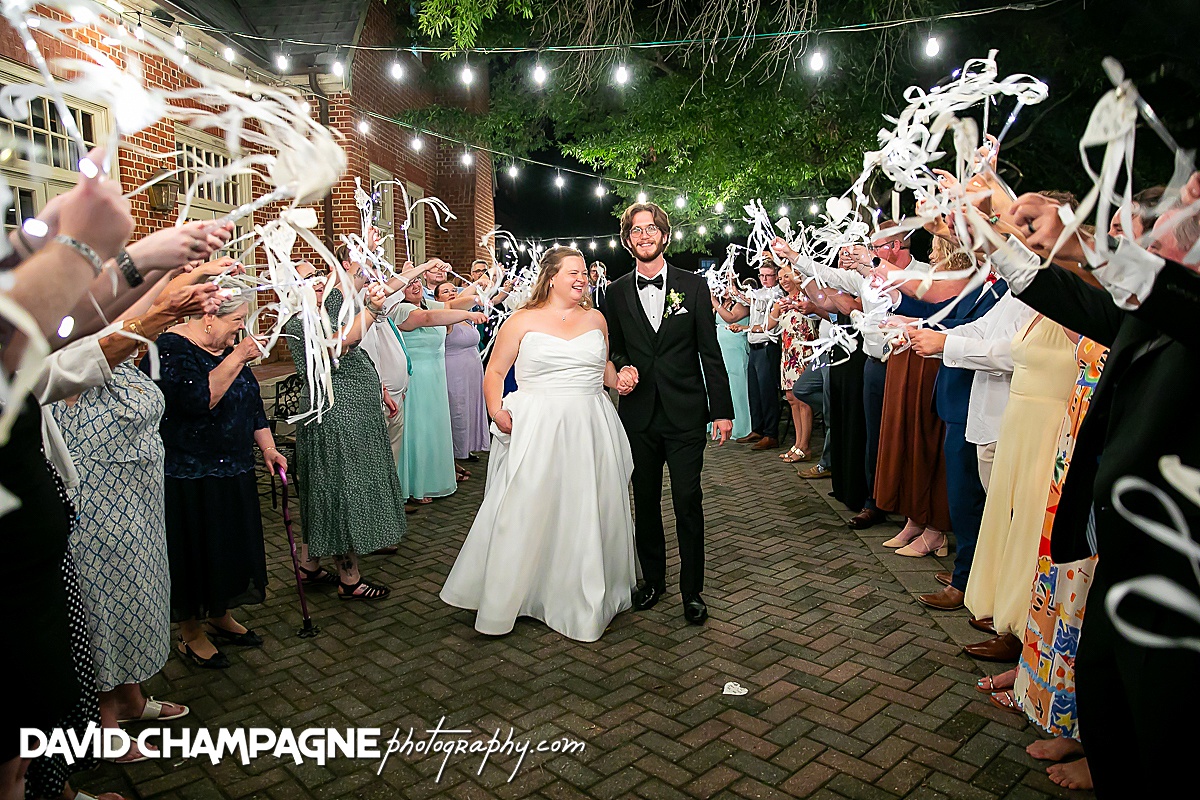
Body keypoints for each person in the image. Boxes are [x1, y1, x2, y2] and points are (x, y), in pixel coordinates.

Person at [978, 185, 1200, 796]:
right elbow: (1079, 303)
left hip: (1178, 575)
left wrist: (1083, 242)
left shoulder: (1183, 308)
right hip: (1125, 551)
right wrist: (993, 240)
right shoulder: (1154, 311)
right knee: (1108, 698)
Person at [441, 247, 636, 641]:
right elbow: (495, 371)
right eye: (573, 272)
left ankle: (581, 595)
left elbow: (601, 367)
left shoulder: (596, 318)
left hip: (590, 424)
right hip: (539, 426)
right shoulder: (521, 320)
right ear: (551, 277)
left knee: (586, 506)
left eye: (584, 272)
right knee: (529, 504)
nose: (582, 278)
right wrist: (496, 410)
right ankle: (520, 590)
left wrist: (620, 379)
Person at [603, 202, 734, 625]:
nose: (644, 235)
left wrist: (722, 410)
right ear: (627, 240)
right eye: (636, 230)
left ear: (664, 235)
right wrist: (622, 366)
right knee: (644, 502)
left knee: (687, 500)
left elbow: (709, 352)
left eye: (651, 228)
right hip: (639, 416)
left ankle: (692, 592)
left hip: (686, 414)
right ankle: (654, 581)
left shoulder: (694, 286)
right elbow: (614, 346)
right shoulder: (615, 292)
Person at [148, 293, 284, 667]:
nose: (241, 328)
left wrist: (269, 448)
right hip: (191, 474)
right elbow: (197, 400)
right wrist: (238, 357)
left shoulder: (226, 348)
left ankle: (220, 615)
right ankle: (191, 634)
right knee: (196, 552)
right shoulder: (170, 349)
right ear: (210, 316)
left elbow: (252, 403)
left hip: (234, 468)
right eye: (237, 319)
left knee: (228, 547)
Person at [284, 248, 408, 598]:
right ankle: (349, 579)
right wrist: (371, 309)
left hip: (352, 412)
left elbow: (354, 342)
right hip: (333, 416)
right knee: (339, 489)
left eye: (317, 275)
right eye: (306, 279)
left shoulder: (328, 313)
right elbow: (338, 347)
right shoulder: (301, 322)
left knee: (327, 488)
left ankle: (309, 565)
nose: (317, 281)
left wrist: (377, 386)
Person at [395, 277, 458, 502]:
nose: (415, 286)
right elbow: (427, 319)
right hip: (416, 377)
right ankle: (415, 485)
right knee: (418, 427)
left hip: (436, 375)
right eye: (408, 284)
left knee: (434, 427)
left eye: (417, 282)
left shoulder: (428, 304)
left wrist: (483, 292)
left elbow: (456, 303)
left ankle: (435, 479)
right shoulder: (401, 309)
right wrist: (469, 316)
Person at [766, 263, 818, 462]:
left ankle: (805, 446)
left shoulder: (807, 297)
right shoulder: (782, 301)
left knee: (803, 398)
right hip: (788, 354)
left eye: (786, 276)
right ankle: (797, 443)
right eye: (780, 279)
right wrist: (776, 309)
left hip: (804, 352)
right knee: (791, 398)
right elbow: (769, 326)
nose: (783, 281)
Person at [434, 281, 491, 466]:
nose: (451, 293)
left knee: (470, 408)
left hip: (473, 371)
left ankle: (466, 448)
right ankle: (452, 456)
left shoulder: (466, 317)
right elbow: (455, 303)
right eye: (445, 291)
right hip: (454, 370)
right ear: (436, 299)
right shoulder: (446, 316)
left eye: (453, 290)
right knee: (457, 409)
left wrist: (485, 279)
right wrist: (475, 295)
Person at [733, 255, 782, 449]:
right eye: (761, 275)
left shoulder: (777, 294)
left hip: (767, 347)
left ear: (776, 276)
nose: (764, 279)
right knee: (755, 391)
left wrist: (745, 328)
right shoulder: (759, 293)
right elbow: (743, 298)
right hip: (754, 347)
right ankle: (758, 428)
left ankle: (771, 433)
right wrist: (731, 282)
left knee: (767, 391)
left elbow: (766, 319)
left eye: (768, 275)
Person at [711, 291, 752, 440]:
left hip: (735, 348)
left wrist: (714, 301)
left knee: (736, 384)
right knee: (723, 384)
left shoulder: (741, 303)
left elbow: (731, 318)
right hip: (721, 347)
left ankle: (740, 425)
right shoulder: (723, 303)